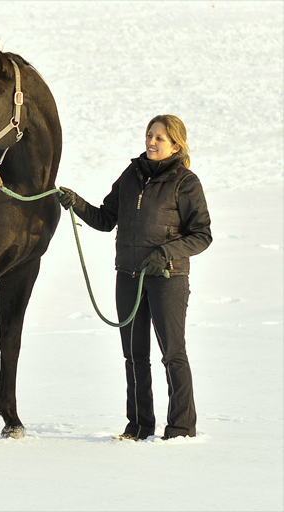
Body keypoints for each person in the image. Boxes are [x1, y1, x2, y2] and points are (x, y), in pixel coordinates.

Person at [58, 114, 212, 441]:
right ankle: (139, 426)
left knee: (173, 353)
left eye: (159, 138)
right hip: (128, 276)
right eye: (149, 135)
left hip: (167, 277)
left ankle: (181, 429)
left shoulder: (185, 182)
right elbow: (104, 218)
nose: (151, 142)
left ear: (176, 145)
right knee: (133, 355)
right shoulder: (131, 174)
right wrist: (76, 204)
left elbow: (202, 235)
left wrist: (165, 254)